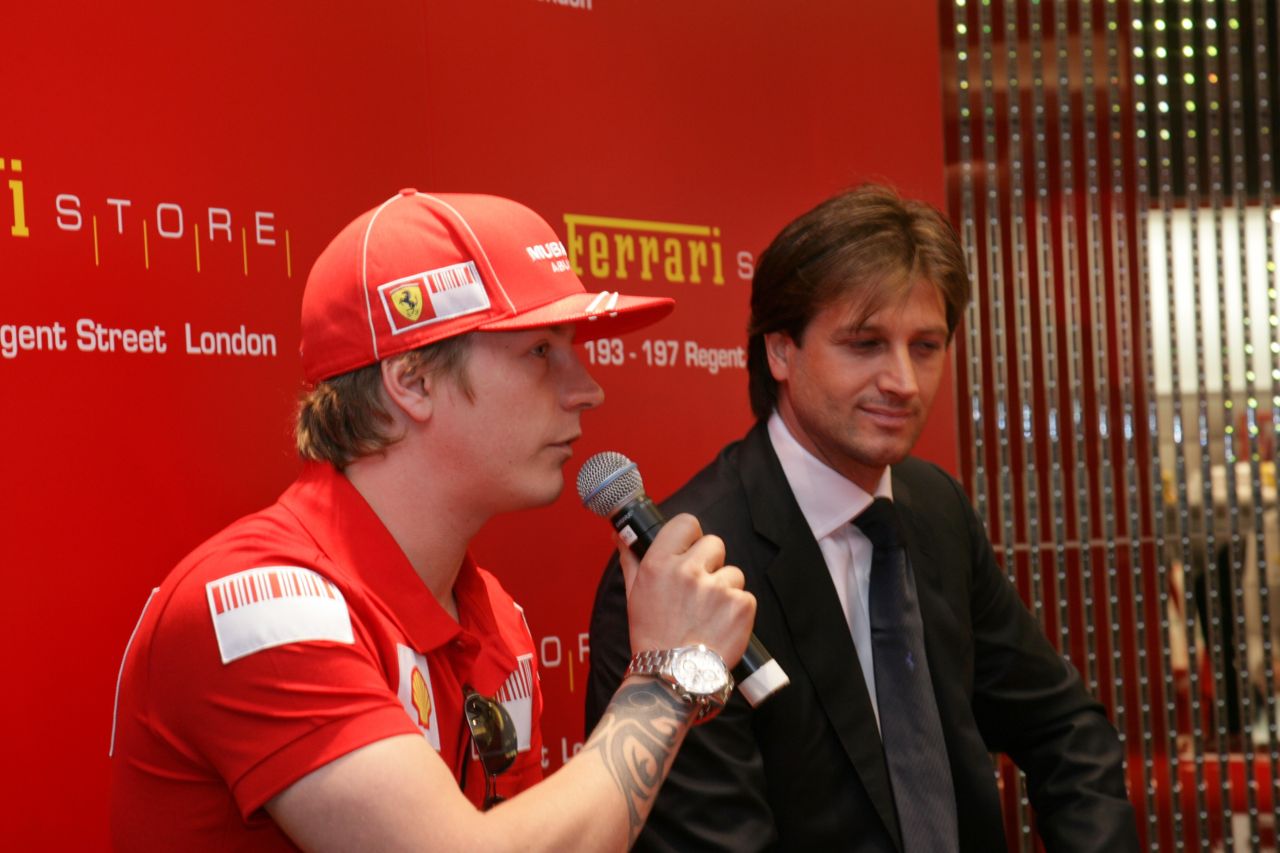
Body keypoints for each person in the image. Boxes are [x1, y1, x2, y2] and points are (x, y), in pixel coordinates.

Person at [110, 189, 755, 851]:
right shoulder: (261, 608)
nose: (587, 389)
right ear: (412, 380)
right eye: (540, 351)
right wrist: (666, 677)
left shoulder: (495, 618)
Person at [585, 184, 1140, 852]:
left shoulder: (933, 505)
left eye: (926, 346)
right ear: (780, 351)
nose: (903, 381)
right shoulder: (681, 570)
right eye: (865, 343)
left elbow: (1065, 729)